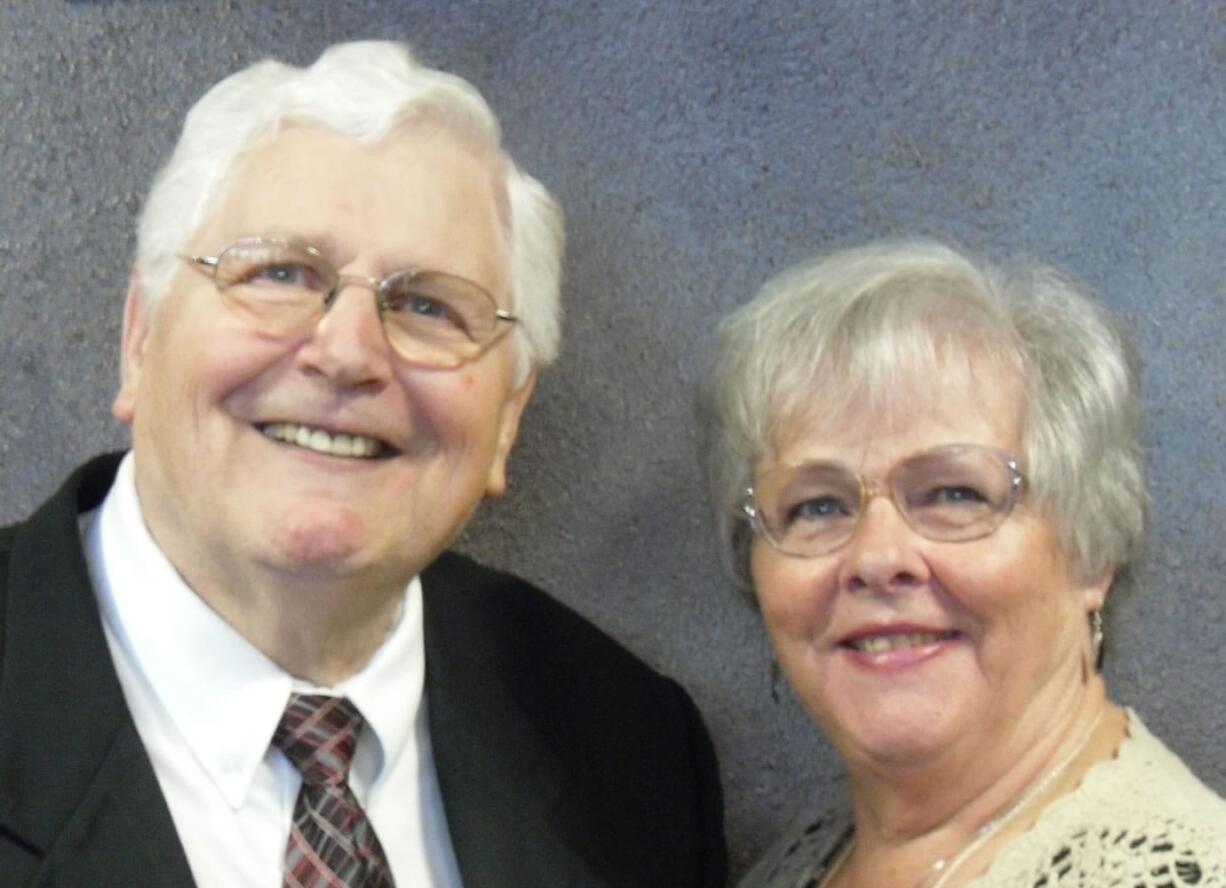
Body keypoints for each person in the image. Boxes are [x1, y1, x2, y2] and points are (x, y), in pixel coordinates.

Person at [0, 42, 726, 887]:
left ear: (506, 421)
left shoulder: (629, 750)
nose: (346, 352)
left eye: (427, 306)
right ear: (141, 337)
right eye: (278, 272)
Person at [706, 239, 1226, 887]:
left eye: (956, 493)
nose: (876, 556)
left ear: (1093, 553)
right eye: (817, 505)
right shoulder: (799, 866)